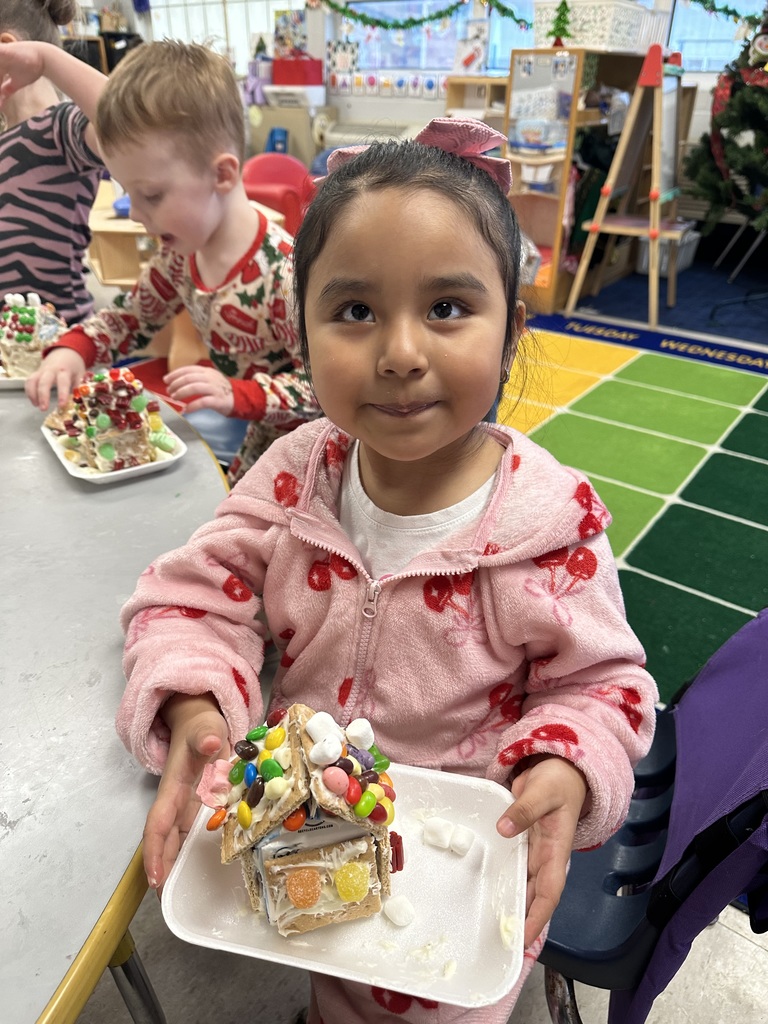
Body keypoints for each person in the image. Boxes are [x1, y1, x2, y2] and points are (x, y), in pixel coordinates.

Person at [116, 118, 658, 1023]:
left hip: (458, 870)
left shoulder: (550, 525)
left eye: (447, 308)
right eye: (356, 310)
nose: (401, 352)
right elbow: (187, 601)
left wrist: (566, 766)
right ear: (303, 329)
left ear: (513, 328)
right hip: (299, 836)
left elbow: (604, 686)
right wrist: (195, 703)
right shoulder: (292, 476)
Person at [24, 40, 319, 484]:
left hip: (314, 452)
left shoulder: (283, 275)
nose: (138, 213)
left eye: (153, 195)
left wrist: (239, 394)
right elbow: (131, 317)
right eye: (129, 193)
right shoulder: (180, 258)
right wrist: (74, 348)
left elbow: (328, 386)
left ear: (222, 175)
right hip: (259, 437)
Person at [0, 0, 107, 325]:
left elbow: (134, 122)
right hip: (11, 352)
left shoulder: (60, 127)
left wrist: (48, 61)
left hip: (61, 351)